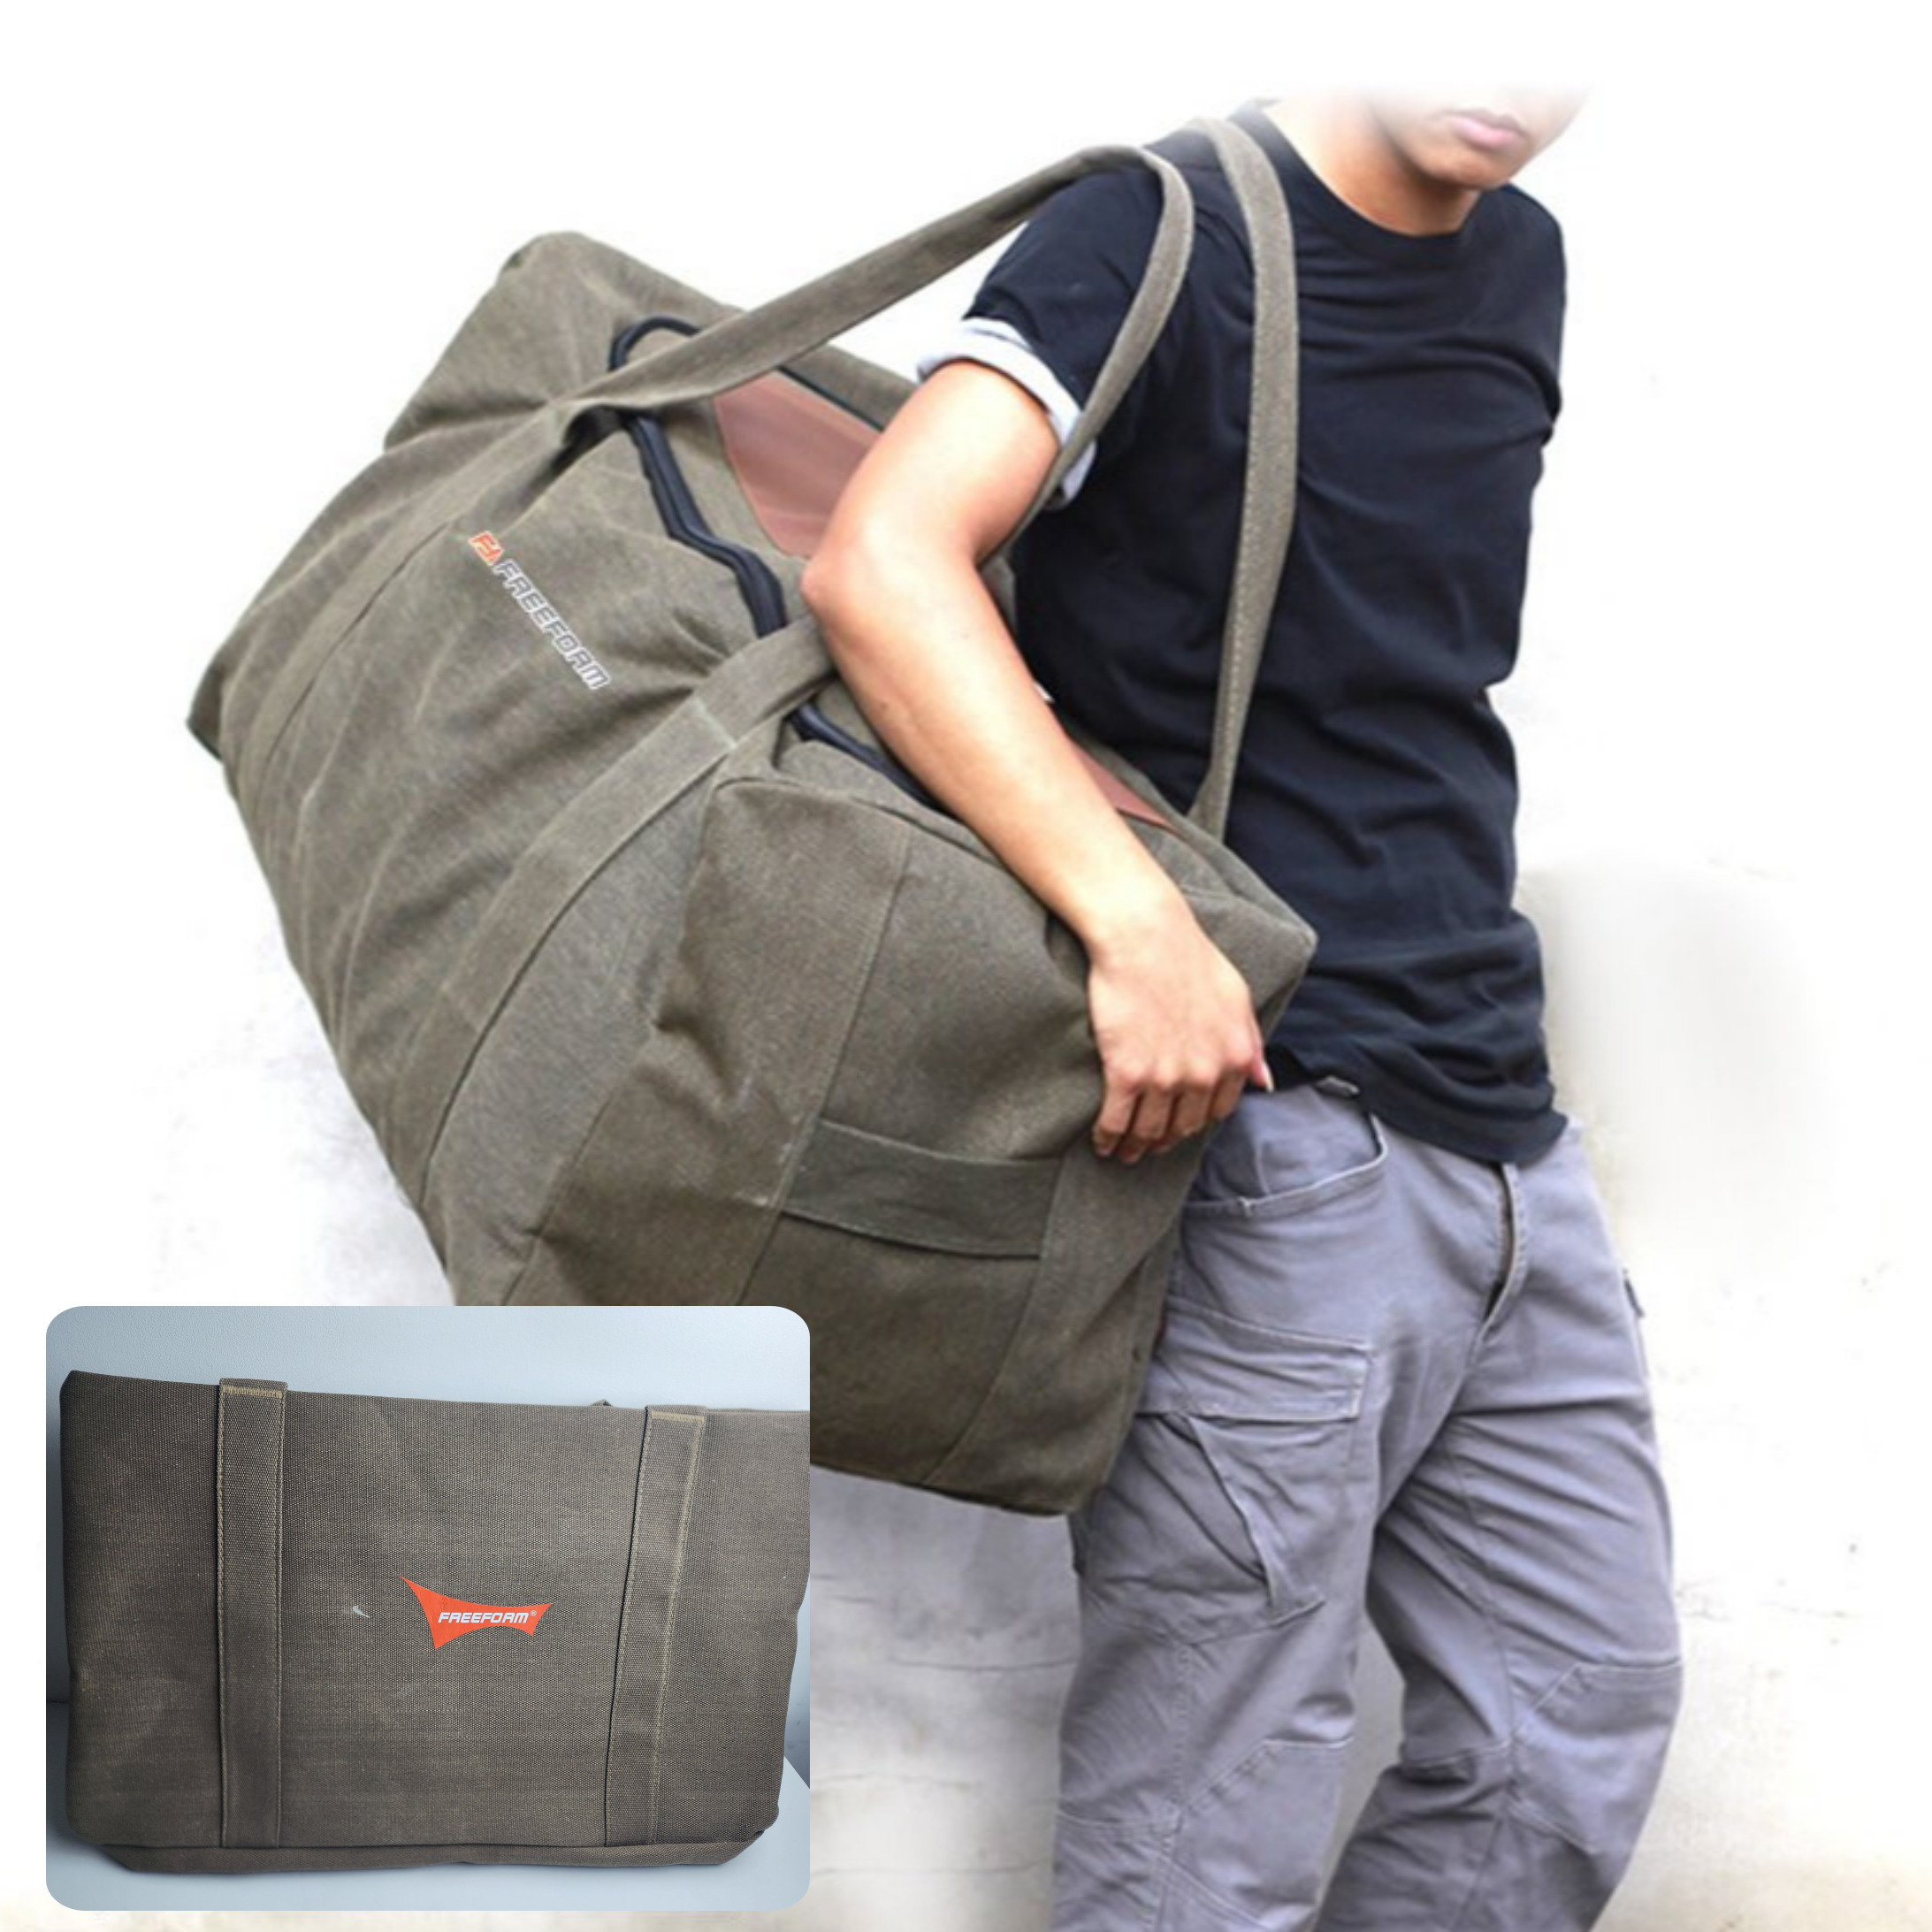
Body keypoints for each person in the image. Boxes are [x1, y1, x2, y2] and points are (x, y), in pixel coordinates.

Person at [800, 86, 1683, 1932]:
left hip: (1502, 1127)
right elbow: (882, 560)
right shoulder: (1163, 231)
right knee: (1208, 1822)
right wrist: (1136, 925)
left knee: (1569, 1720)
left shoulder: (1517, 260)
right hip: (1273, 1146)